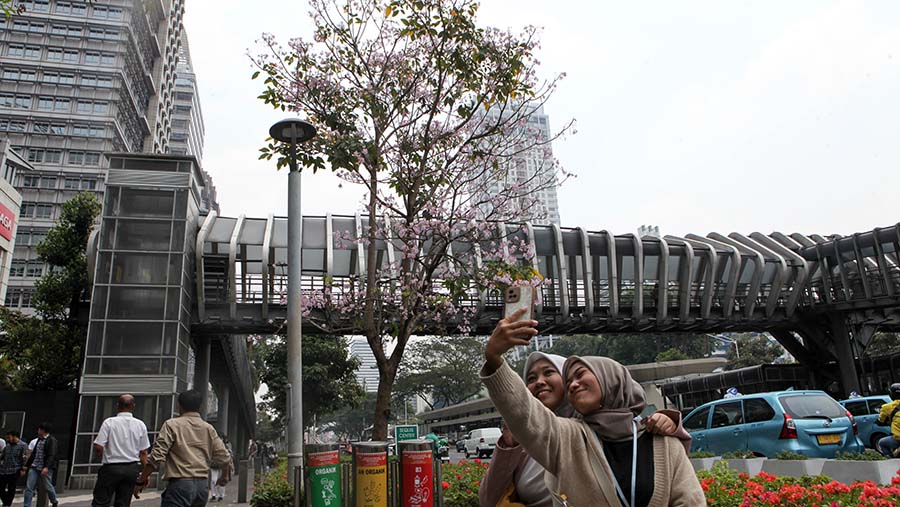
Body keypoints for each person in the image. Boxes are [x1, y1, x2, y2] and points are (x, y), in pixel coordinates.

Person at [481, 309, 705, 506]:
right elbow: (524, 412)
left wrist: (670, 422)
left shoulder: (663, 441)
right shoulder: (568, 437)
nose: (573, 384)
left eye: (580, 375)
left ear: (611, 380)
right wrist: (494, 359)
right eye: (569, 382)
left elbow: (689, 500)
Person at [135, 390, 232, 507]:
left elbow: (156, 456)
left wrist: (141, 480)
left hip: (179, 484)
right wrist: (224, 476)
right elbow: (224, 456)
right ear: (200, 407)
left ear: (179, 405)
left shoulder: (171, 425)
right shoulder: (208, 428)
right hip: (202, 486)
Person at [92, 394, 151, 507]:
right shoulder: (140, 425)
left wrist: (103, 454)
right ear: (133, 406)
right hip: (131, 469)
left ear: (117, 406)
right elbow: (143, 452)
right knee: (123, 502)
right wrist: (145, 473)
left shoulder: (109, 422)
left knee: (101, 501)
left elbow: (99, 446)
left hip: (111, 468)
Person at [22, 423, 60, 507]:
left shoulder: (51, 440)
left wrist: (46, 467)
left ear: (43, 430)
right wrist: (27, 465)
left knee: (47, 486)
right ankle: (27, 505)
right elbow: (33, 454)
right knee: (29, 487)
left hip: (44, 467)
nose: (38, 431)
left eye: (39, 429)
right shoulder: (39, 440)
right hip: (35, 466)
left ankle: (54, 501)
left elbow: (52, 455)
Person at [0, 430, 27, 507]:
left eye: (9, 437)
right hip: (4, 470)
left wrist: (23, 469)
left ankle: (7, 504)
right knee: (1, 488)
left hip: (15, 470)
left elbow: (25, 459)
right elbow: (2, 456)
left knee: (11, 489)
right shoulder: (7, 446)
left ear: (15, 436)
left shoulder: (23, 445)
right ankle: (6, 502)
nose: (7, 439)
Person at [876, 383, 900, 457]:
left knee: (882, 442)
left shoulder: (887, 407)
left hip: (898, 438)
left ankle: (891, 459)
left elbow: (880, 421)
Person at [209, 436, 234, 502]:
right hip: (214, 465)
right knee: (213, 480)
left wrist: (231, 464)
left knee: (222, 480)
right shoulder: (211, 446)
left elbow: (229, 456)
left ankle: (221, 495)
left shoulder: (226, 447)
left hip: (223, 465)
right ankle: (214, 495)